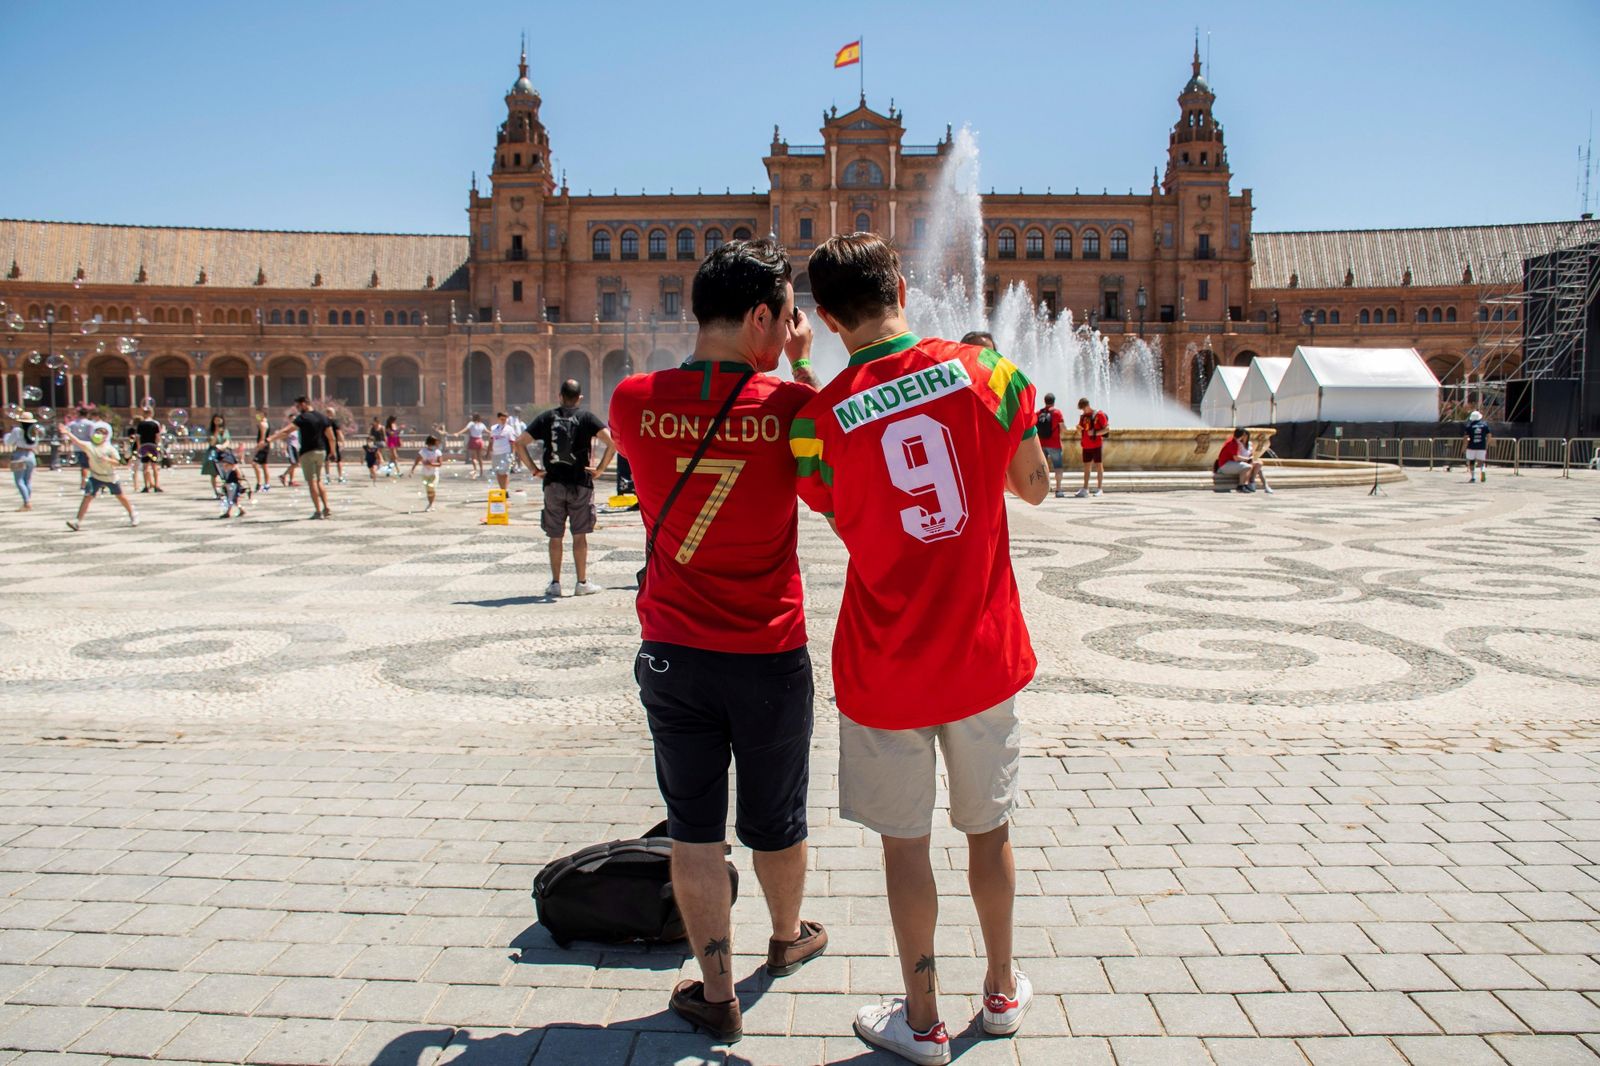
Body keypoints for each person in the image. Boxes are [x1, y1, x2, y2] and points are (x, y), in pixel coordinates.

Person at [793, 233, 1047, 1063]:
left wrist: (806, 378)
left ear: (826, 319)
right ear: (903, 285)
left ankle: (924, 1017)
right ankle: (1003, 994)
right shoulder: (994, 375)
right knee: (990, 829)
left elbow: (838, 508)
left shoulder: (818, 419)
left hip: (886, 665)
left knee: (905, 846)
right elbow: (1035, 486)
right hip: (981, 654)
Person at [608, 237, 826, 1044]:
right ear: (764, 315)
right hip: (770, 651)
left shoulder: (632, 400)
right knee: (779, 818)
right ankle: (786, 936)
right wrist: (799, 371)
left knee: (694, 827)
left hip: (674, 650)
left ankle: (718, 988)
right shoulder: (791, 406)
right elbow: (830, 489)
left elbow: (660, 452)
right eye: (787, 317)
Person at [517, 384, 615, 596]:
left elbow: (519, 443)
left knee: (555, 536)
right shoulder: (587, 418)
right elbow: (612, 442)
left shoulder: (546, 418)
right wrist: (600, 469)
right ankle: (581, 582)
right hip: (581, 483)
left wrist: (534, 470)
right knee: (579, 536)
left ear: (560, 396)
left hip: (553, 483)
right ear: (579, 397)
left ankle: (555, 583)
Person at [63, 424, 139, 530]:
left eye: (100, 434)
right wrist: (67, 433)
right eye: (96, 433)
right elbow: (77, 441)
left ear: (105, 437)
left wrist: (108, 460)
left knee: (120, 496)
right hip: (95, 476)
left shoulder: (110, 449)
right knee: (87, 497)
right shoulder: (89, 446)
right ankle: (77, 521)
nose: (97, 435)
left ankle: (132, 514)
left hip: (110, 476)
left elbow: (118, 463)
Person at [270, 396, 335, 519]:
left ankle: (317, 511)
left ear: (304, 404)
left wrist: (270, 439)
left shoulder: (303, 418)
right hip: (321, 451)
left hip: (307, 452)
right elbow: (331, 437)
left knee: (312, 482)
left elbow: (286, 431)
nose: (298, 409)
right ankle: (326, 507)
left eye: (298, 406)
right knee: (319, 480)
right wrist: (332, 452)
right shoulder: (323, 417)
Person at [1214, 427, 1269, 493]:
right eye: (1244, 435)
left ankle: (1253, 484)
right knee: (1247, 467)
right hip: (1225, 465)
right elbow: (1236, 458)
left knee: (1257, 466)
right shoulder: (1233, 443)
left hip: (1227, 463)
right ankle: (1241, 486)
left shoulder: (1233, 441)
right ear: (1241, 435)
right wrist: (1247, 459)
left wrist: (1248, 459)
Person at [1074, 396, 1108, 497]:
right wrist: (1079, 429)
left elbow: (1107, 429)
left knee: (1099, 466)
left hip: (1096, 445)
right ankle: (1085, 488)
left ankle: (1100, 488)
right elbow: (1082, 430)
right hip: (1086, 446)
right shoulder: (1083, 417)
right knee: (1086, 467)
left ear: (1088, 406)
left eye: (1084, 409)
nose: (1083, 411)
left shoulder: (1099, 414)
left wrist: (1095, 433)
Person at [1036, 392, 1067, 498]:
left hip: (1041, 443)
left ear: (1044, 401)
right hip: (1054, 444)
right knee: (1058, 467)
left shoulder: (1038, 413)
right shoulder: (1057, 413)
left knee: (1043, 467)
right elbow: (1063, 428)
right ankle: (1058, 489)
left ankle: (1043, 489)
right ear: (1054, 401)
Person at [5, 410, 39, 510]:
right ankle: (27, 502)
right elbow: (35, 444)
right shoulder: (34, 431)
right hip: (31, 455)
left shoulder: (17, 430)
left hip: (19, 455)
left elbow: (9, 442)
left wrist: (6, 435)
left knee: (19, 480)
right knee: (27, 480)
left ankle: (27, 502)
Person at [409, 434, 444, 511]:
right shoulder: (423, 451)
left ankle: (431, 504)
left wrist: (431, 464)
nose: (435, 445)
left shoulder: (438, 452)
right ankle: (430, 503)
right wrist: (412, 470)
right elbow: (417, 461)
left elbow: (440, 464)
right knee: (428, 490)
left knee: (432, 488)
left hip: (434, 474)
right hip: (425, 474)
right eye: (434, 443)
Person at [486, 411, 517, 493]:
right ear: (498, 419)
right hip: (496, 453)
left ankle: (505, 490)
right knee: (498, 473)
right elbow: (491, 441)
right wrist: (488, 452)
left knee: (505, 473)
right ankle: (502, 490)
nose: (503, 421)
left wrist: (513, 454)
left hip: (506, 453)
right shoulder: (493, 428)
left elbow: (512, 442)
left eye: (505, 419)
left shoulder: (509, 429)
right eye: (502, 419)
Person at [134, 409, 163, 493]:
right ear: (151, 414)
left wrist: (139, 447)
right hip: (153, 446)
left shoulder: (141, 424)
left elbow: (138, 437)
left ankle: (146, 486)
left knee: (145, 467)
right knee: (154, 467)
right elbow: (157, 436)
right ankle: (156, 485)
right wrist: (157, 446)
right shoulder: (155, 424)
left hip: (144, 446)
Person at [201, 414, 231, 497]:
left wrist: (223, 446)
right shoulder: (210, 431)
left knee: (225, 472)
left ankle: (225, 489)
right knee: (214, 473)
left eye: (219, 420)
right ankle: (216, 491)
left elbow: (227, 440)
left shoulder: (225, 430)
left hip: (223, 452)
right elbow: (212, 443)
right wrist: (216, 432)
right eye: (216, 420)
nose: (217, 422)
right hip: (213, 452)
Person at [215, 448, 247, 518]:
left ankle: (228, 512)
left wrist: (240, 482)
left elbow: (239, 476)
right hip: (230, 485)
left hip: (233, 485)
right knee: (233, 499)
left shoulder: (234, 468)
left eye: (225, 463)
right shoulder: (228, 469)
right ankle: (241, 510)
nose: (223, 464)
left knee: (231, 499)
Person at [457, 413, 488, 478]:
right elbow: (487, 431)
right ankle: (481, 472)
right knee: (480, 457)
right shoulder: (482, 424)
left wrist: (458, 433)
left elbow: (465, 429)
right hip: (480, 441)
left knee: (473, 457)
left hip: (473, 440)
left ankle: (475, 470)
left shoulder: (471, 423)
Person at [1464, 410, 1491, 483]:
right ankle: (1482, 471)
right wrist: (1487, 444)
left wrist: (1464, 446)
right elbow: (1489, 435)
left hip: (1471, 446)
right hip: (1482, 446)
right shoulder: (1484, 425)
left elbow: (1466, 437)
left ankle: (1473, 477)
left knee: (1471, 461)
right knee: (1481, 462)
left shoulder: (1469, 426)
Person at [250, 411, 272, 492]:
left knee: (254, 463)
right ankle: (267, 484)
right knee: (264, 466)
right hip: (266, 446)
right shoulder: (265, 423)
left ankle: (259, 483)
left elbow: (262, 437)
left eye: (258, 414)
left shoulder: (263, 424)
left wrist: (257, 447)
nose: (257, 416)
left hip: (263, 446)